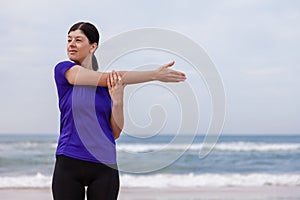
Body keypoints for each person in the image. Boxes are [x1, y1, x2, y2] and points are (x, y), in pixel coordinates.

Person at [52, 21, 186, 200]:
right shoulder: (64, 70)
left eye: (78, 40)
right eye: (69, 40)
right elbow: (111, 77)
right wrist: (153, 75)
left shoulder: (108, 87)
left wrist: (118, 102)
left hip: (104, 165)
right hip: (70, 161)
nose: (71, 44)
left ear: (93, 46)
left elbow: (114, 132)